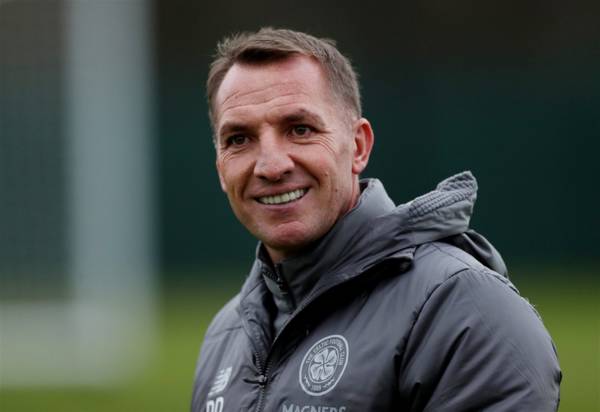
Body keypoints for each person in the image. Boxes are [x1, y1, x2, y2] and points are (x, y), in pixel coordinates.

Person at [192, 28, 561, 412]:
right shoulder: (226, 334)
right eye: (239, 139)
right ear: (220, 169)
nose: (271, 166)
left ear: (359, 146)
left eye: (300, 130)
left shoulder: (463, 310)